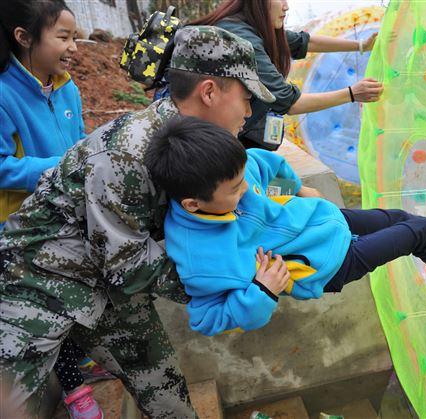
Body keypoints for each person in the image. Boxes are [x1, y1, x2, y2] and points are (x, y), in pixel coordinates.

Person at [0, 25, 274, 418]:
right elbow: (129, 266)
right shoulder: (127, 154)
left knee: (166, 391)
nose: (249, 113)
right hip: (36, 280)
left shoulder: (194, 147)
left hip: (107, 282)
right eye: (246, 99)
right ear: (209, 92)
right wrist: (233, 282)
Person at [144, 116, 426, 337]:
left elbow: (268, 163)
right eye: (234, 190)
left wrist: (296, 189)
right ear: (192, 204)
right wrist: (261, 290)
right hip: (331, 266)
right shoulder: (201, 256)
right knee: (416, 234)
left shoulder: (228, 172)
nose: (245, 191)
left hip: (324, 218)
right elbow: (206, 319)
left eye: (243, 182)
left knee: (396, 217)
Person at [0, 1, 112, 418]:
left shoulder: (67, 87)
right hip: (23, 228)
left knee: (83, 290)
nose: (74, 48)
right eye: (63, 38)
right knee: (50, 303)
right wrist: (55, 167)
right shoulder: (4, 94)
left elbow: (79, 139)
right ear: (24, 37)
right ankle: (74, 391)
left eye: (73, 37)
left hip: (69, 213)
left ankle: (82, 359)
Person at [189, 0, 384, 150]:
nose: (286, 6)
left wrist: (360, 46)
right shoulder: (242, 39)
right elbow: (290, 103)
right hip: (211, 139)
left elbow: (305, 42)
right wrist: (352, 94)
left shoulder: (251, 26)